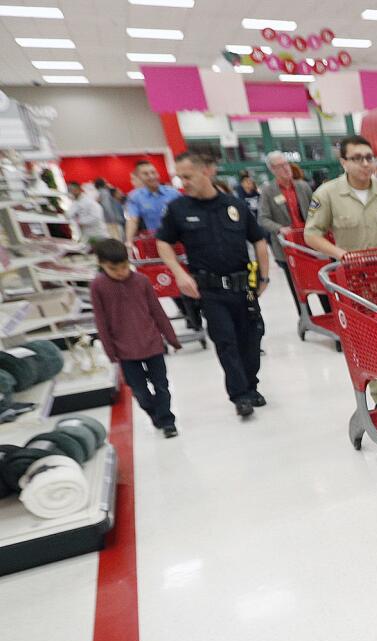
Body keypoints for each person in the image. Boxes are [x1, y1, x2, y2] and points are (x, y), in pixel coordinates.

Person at [154, 151, 272, 419]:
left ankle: (251, 385)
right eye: (180, 177)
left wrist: (264, 277)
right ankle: (240, 395)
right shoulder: (179, 209)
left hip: (244, 287)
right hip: (210, 290)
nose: (184, 182)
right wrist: (179, 273)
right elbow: (163, 242)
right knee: (226, 341)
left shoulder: (235, 206)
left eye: (188, 176)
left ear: (207, 171)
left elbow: (258, 240)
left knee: (252, 339)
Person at [304, 135, 377, 409]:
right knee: (370, 341)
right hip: (354, 283)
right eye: (357, 158)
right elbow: (311, 234)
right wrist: (341, 254)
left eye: (369, 157)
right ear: (343, 162)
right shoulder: (327, 194)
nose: (365, 164)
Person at [89, 239, 182, 437]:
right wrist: (110, 352)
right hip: (125, 351)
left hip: (152, 344)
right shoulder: (98, 286)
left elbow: (157, 311)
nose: (121, 272)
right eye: (114, 269)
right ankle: (154, 413)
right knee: (139, 391)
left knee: (162, 385)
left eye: (124, 266)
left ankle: (167, 421)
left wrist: (171, 337)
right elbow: (101, 321)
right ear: (101, 264)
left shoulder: (141, 281)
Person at [124, 159, 200, 330]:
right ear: (139, 177)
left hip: (179, 243)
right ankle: (187, 312)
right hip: (154, 246)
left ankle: (194, 314)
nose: (151, 176)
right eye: (146, 174)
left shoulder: (173, 193)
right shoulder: (135, 198)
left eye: (153, 172)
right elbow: (132, 220)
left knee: (186, 275)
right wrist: (128, 241)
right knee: (167, 281)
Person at [257, 150, 325, 317]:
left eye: (286, 164)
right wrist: (280, 228)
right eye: (280, 166)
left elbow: (315, 208)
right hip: (288, 248)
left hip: (310, 244)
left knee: (320, 282)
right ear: (273, 170)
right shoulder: (268, 191)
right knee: (297, 286)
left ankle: (328, 315)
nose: (286, 168)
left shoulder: (302, 186)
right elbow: (262, 219)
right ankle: (306, 318)